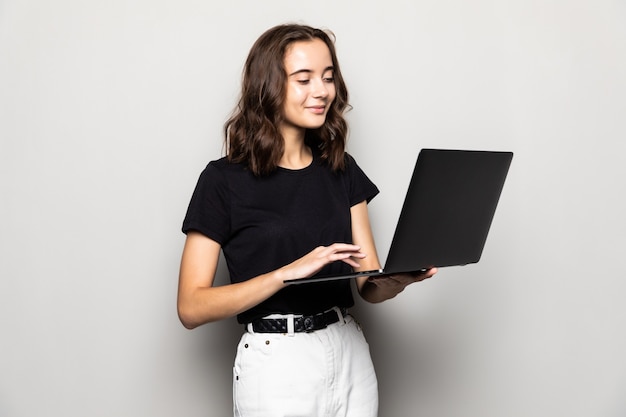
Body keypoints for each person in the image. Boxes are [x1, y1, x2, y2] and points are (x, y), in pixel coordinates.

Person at [178, 23, 437, 417]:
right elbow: (191, 306)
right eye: (304, 79)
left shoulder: (341, 169)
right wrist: (288, 273)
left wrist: (397, 280)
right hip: (276, 361)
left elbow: (368, 284)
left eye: (328, 77)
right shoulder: (223, 181)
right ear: (267, 86)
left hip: (348, 350)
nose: (322, 91)